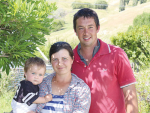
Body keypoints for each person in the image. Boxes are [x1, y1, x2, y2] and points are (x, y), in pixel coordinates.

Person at [72, 8, 138, 113]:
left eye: (90, 27)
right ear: (75, 31)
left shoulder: (117, 54)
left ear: (98, 28)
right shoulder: (69, 59)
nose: (86, 32)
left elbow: (130, 95)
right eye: (81, 28)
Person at [35, 42, 91, 113]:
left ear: (72, 59)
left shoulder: (82, 89)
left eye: (64, 58)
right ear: (51, 62)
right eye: (55, 59)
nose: (60, 63)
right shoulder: (41, 84)